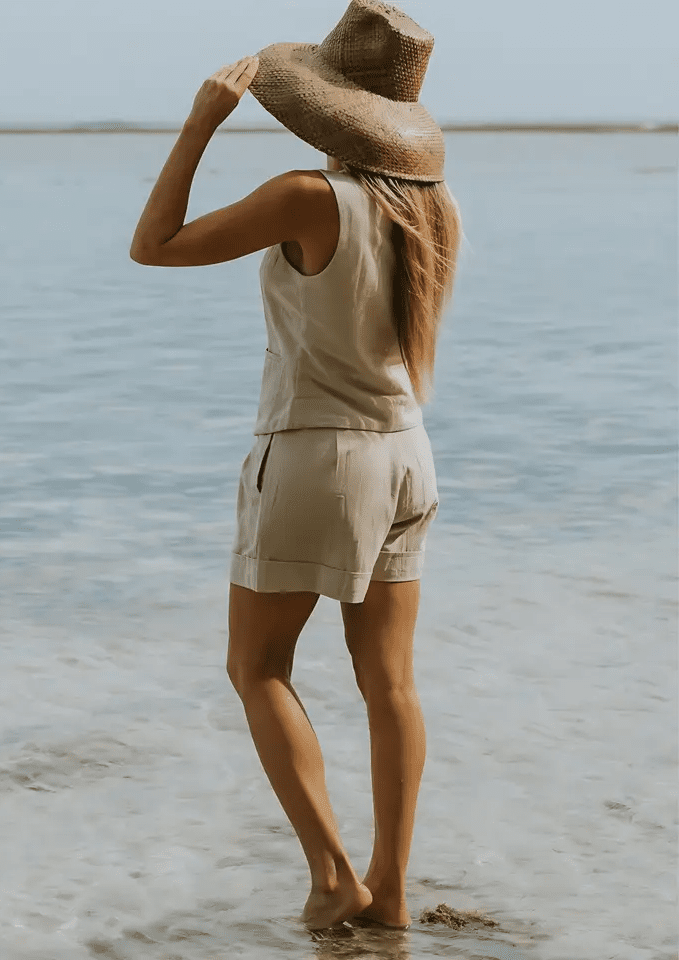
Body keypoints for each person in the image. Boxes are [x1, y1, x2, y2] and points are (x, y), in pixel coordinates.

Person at [130, 0, 462, 933]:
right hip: (407, 458)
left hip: (319, 459)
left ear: (323, 106)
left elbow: (152, 248)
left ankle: (332, 878)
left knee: (257, 667)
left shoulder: (307, 196)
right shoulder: (430, 207)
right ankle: (390, 892)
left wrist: (199, 125)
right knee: (390, 684)